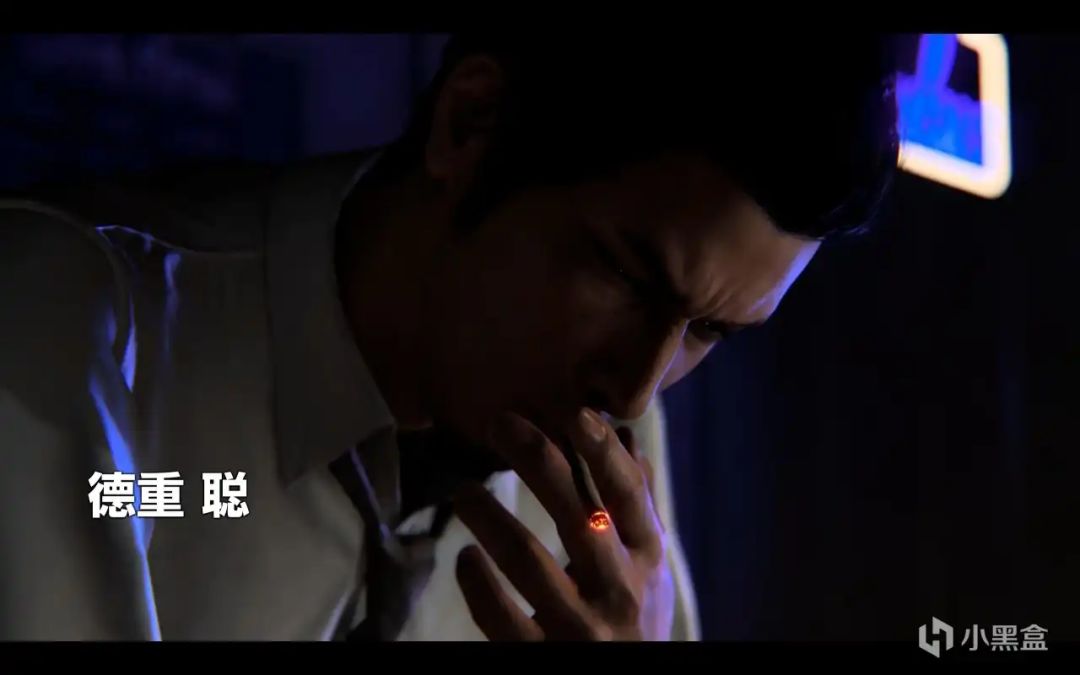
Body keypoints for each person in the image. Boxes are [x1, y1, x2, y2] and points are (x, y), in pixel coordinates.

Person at [0, 33, 898, 640]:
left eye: (708, 330)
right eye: (624, 276)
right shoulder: (67, 322)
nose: (635, 389)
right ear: (471, 125)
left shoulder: (605, 472)